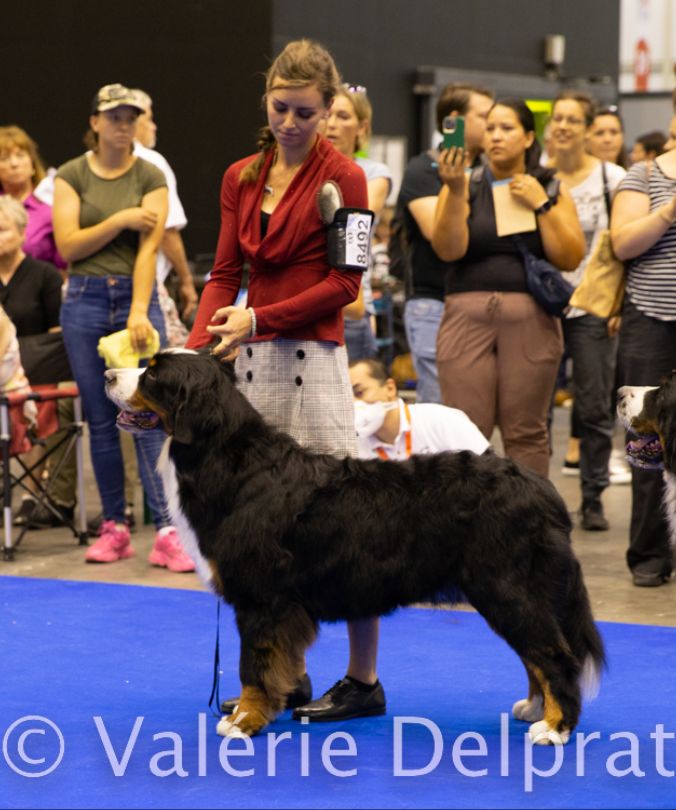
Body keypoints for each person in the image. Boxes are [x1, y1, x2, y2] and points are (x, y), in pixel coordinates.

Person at [182, 40, 370, 726]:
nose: (291, 122)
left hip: (315, 366)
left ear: (328, 111)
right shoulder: (239, 177)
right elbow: (223, 273)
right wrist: (201, 352)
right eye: (280, 107)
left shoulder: (346, 178)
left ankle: (363, 680)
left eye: (305, 112)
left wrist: (260, 316)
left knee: (345, 531)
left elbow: (346, 286)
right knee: (254, 543)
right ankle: (276, 676)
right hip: (252, 370)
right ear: (266, 100)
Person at [290, 358, 490, 722]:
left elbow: (492, 483)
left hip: (460, 536)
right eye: (346, 398)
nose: (355, 406)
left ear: (390, 389)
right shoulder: (349, 440)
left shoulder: (445, 421)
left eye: (360, 392)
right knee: (350, 557)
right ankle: (357, 683)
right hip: (391, 548)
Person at [52, 83, 194, 573]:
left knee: (151, 411)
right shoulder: (71, 174)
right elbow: (68, 246)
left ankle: (168, 529)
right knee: (100, 416)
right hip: (85, 298)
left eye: (130, 116)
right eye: (113, 116)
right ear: (94, 122)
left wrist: (139, 309)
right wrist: (122, 218)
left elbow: (148, 250)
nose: (123, 124)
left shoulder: (151, 173)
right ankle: (114, 525)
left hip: (135, 295)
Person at [431, 98, 585, 478]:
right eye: (491, 127)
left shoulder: (548, 185)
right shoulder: (464, 182)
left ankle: (530, 527)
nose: (496, 135)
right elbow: (448, 249)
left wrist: (541, 204)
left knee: (526, 432)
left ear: (529, 136)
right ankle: (468, 527)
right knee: (465, 432)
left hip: (530, 317)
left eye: (507, 128)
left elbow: (569, 256)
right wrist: (453, 189)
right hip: (466, 314)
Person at [549, 91, 626, 529]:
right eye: (557, 118)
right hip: (544, 303)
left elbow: (624, 247)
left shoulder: (611, 178)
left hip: (593, 306)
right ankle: (537, 494)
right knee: (537, 407)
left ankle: (593, 496)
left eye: (573, 119)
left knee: (594, 406)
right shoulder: (537, 176)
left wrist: (619, 303)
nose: (563, 126)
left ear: (587, 128)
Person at [610, 107, 676, 587]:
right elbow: (622, 244)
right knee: (646, 439)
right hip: (651, 317)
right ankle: (650, 552)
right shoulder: (644, 173)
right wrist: (670, 208)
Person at [396, 83, 494, 403]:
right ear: (456, 120)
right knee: (440, 406)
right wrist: (455, 185)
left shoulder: (490, 172)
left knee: (473, 408)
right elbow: (439, 235)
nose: (492, 125)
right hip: (434, 303)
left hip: (480, 304)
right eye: (484, 117)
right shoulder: (423, 170)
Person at [0, 195, 64, 523]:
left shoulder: (45, 275)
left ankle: (29, 492)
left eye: (2, 230)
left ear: (23, 233)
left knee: (39, 404)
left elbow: (56, 335)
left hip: (36, 371)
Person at [324, 83, 392, 361]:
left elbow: (352, 223)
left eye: (343, 116)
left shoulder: (374, 174)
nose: (332, 125)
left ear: (362, 127)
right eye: (326, 115)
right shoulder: (295, 168)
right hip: (296, 302)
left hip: (348, 303)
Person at [130, 89, 199, 343]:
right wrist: (186, 282)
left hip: (93, 289)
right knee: (173, 362)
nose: (153, 126)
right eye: (148, 118)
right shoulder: (150, 163)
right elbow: (167, 232)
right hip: (145, 288)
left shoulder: (84, 166)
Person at [0, 126, 65, 270]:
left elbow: (64, 263)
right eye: (4, 158)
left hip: (39, 287)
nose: (14, 164)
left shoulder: (51, 205)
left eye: (20, 155)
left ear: (32, 163)